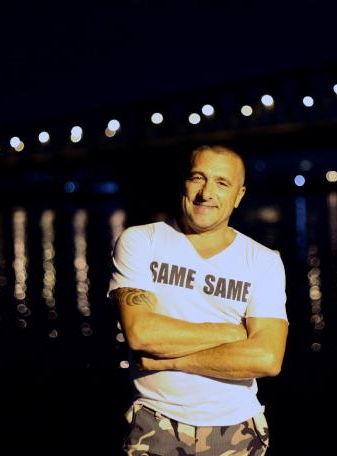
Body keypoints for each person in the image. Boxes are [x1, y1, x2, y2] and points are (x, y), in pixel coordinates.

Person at [108, 145, 288, 455]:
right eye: (198, 178)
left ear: (239, 195)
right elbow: (141, 334)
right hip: (155, 424)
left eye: (222, 183)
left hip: (238, 429)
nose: (206, 193)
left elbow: (266, 358)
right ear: (184, 182)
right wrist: (232, 333)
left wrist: (171, 360)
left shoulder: (263, 261)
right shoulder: (141, 241)